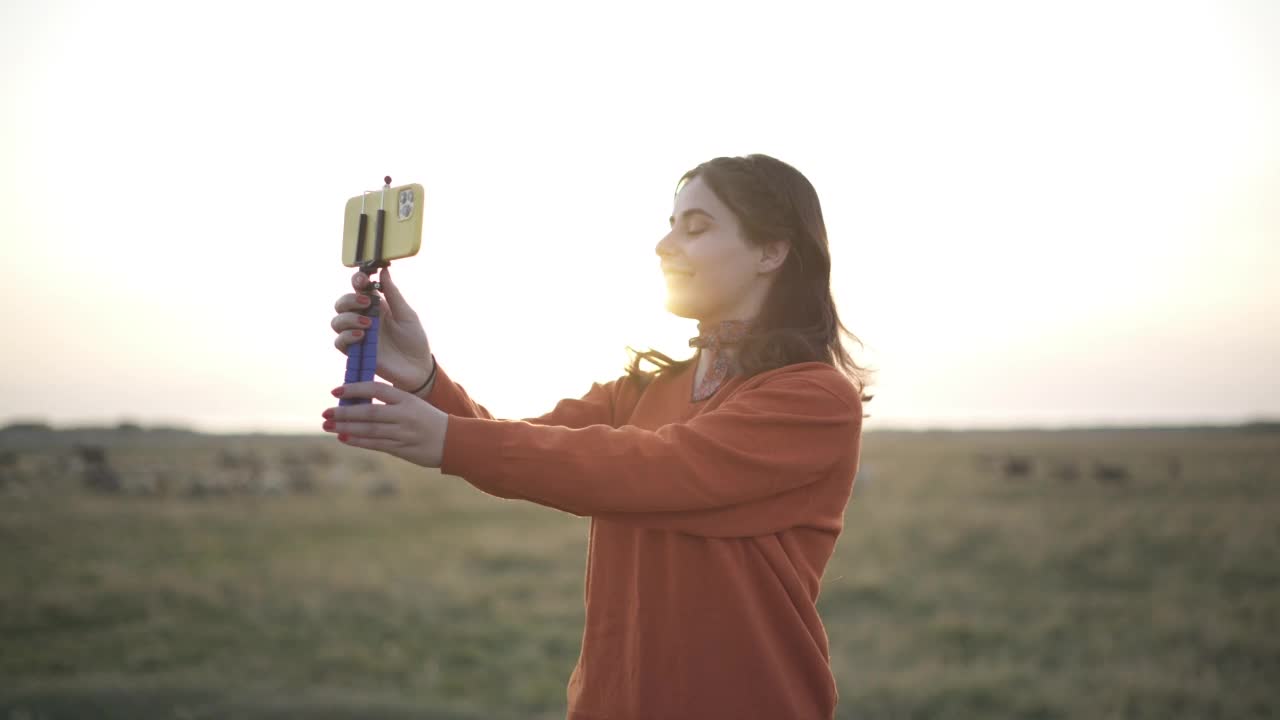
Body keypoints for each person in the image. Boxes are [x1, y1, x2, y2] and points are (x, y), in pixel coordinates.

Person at [323, 153, 872, 719]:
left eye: (697, 227)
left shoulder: (814, 400)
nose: (665, 245)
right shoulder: (635, 394)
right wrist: (423, 376)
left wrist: (448, 440)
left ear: (772, 250)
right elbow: (512, 445)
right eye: (670, 224)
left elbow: (655, 469)